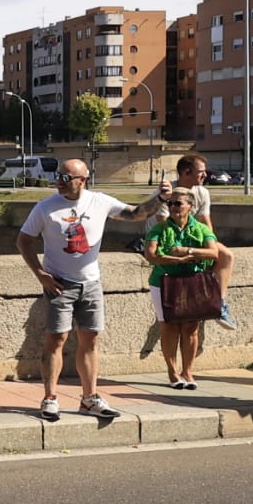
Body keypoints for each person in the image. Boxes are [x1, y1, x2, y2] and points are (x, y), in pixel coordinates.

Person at [16, 158, 171, 420]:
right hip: (59, 284)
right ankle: (50, 398)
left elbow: (135, 214)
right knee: (56, 340)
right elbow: (23, 241)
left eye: (67, 178)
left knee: (91, 340)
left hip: (91, 283)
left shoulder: (100, 201)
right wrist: (40, 274)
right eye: (59, 176)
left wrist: (160, 198)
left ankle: (89, 398)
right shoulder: (45, 208)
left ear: (83, 180)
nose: (60, 182)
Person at [149, 154, 237, 331]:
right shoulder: (168, 192)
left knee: (226, 255)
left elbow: (206, 224)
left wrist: (209, 247)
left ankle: (220, 304)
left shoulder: (202, 192)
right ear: (186, 172)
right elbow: (164, 224)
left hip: (191, 235)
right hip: (165, 237)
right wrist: (193, 251)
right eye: (201, 172)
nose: (205, 176)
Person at [146, 186, 220, 390]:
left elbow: (214, 253)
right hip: (164, 282)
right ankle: (172, 372)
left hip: (192, 281)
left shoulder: (201, 229)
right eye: (170, 203)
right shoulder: (159, 229)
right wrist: (177, 259)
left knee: (190, 328)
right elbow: (151, 255)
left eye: (178, 203)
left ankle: (188, 370)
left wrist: (186, 252)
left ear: (191, 206)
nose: (173, 207)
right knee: (169, 327)